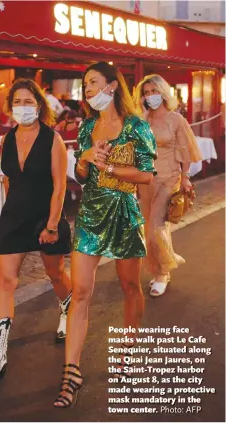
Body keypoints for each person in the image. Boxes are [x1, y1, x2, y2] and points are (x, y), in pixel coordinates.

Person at [53, 61, 157, 408]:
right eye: (85, 85)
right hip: (90, 216)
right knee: (81, 292)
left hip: (124, 215)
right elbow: (81, 178)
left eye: (93, 83)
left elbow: (146, 176)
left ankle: (128, 350)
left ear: (113, 86)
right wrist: (83, 160)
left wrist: (108, 165)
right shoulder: (86, 128)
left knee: (130, 287)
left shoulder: (136, 127)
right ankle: (72, 373)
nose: (88, 90)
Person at [0, 79, 72, 380]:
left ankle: (67, 308)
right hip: (15, 217)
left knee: (54, 273)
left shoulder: (53, 139)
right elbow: (10, 178)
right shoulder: (7, 138)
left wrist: (52, 224)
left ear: (39, 105)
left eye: (28, 101)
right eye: (17, 102)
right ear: (10, 107)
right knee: (5, 282)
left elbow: (60, 185)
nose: (22, 107)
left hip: (45, 215)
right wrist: (10, 212)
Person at [133, 74, 202, 297]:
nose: (150, 96)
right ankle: (164, 259)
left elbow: (185, 149)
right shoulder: (142, 120)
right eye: (146, 92)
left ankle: (163, 273)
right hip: (146, 181)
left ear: (163, 92)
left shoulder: (176, 120)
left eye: (153, 91)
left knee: (155, 229)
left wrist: (185, 176)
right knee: (148, 229)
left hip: (169, 179)